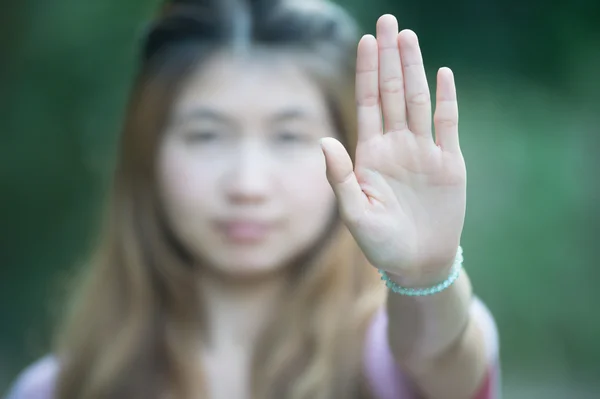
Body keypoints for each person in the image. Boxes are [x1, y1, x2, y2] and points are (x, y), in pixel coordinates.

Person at [4, 0, 500, 398]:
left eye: (289, 137)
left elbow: (438, 354)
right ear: (147, 153)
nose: (247, 184)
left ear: (351, 147)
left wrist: (426, 277)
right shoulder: (57, 388)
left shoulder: (386, 360)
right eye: (206, 135)